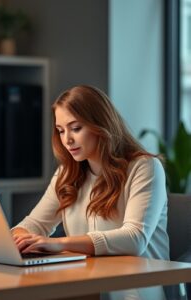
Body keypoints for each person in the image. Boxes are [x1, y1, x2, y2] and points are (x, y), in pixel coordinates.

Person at [12, 85, 169, 300]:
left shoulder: (145, 167)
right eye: (60, 130)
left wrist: (58, 244)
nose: (67, 140)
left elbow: (135, 239)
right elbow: (34, 225)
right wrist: (16, 241)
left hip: (135, 292)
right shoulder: (67, 174)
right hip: (85, 289)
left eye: (75, 128)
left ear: (101, 125)